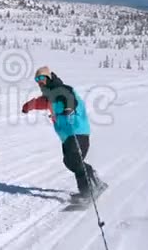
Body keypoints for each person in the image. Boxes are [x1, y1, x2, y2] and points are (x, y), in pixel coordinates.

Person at [21, 66, 107, 198]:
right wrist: (27, 106)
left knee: (73, 160)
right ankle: (95, 181)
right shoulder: (49, 97)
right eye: (37, 79)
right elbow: (38, 103)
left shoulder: (61, 89)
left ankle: (87, 194)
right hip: (66, 136)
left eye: (41, 78)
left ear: (48, 78)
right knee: (70, 162)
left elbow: (69, 97)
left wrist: (69, 107)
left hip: (77, 131)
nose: (39, 81)